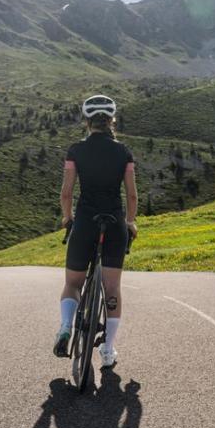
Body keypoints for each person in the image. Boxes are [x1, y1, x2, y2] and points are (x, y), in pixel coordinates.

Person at [54, 94, 138, 368]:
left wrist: (68, 219)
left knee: (73, 284)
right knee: (112, 287)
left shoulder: (75, 151)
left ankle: (66, 326)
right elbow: (132, 195)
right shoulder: (124, 152)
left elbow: (66, 193)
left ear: (87, 120)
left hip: (85, 223)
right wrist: (131, 221)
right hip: (114, 223)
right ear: (111, 119)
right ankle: (108, 350)